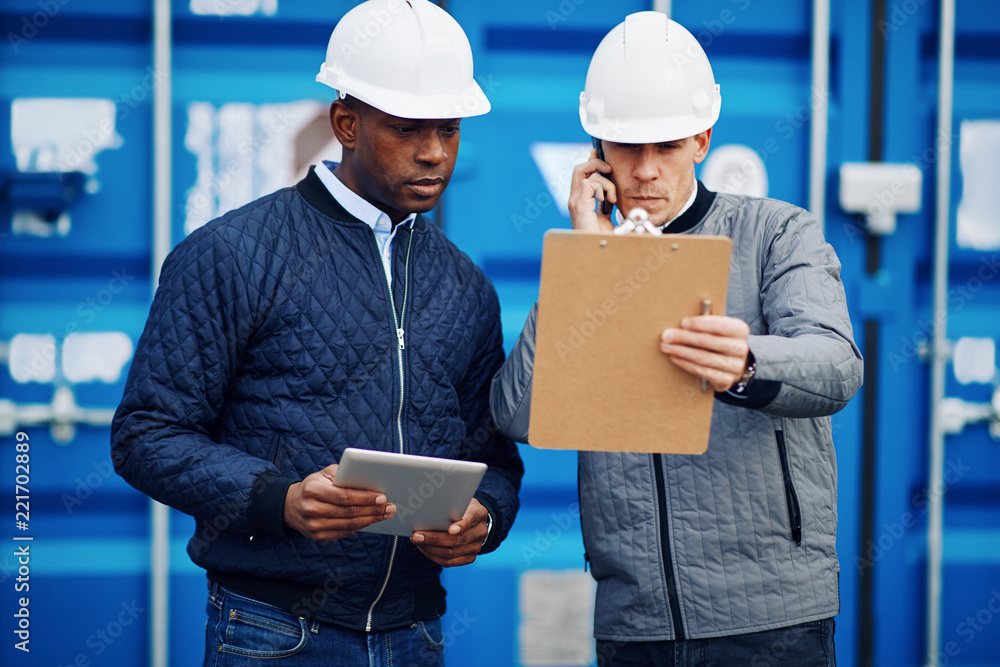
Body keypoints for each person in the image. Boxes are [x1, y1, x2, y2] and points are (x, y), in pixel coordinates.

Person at [111, 1, 523, 665]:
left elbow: (496, 460)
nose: (434, 152)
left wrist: (486, 517)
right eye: (407, 128)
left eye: (448, 129)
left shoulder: (467, 286)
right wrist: (280, 500)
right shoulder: (231, 254)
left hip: (416, 635)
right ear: (346, 123)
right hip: (273, 633)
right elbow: (145, 434)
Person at [490, 12, 862, 667]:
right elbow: (517, 412)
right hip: (635, 623)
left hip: (772, 621)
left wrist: (748, 362)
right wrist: (584, 258)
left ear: (702, 138)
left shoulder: (778, 233)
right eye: (627, 147)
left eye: (666, 146)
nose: (646, 171)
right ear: (596, 148)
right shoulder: (587, 256)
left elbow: (837, 365)